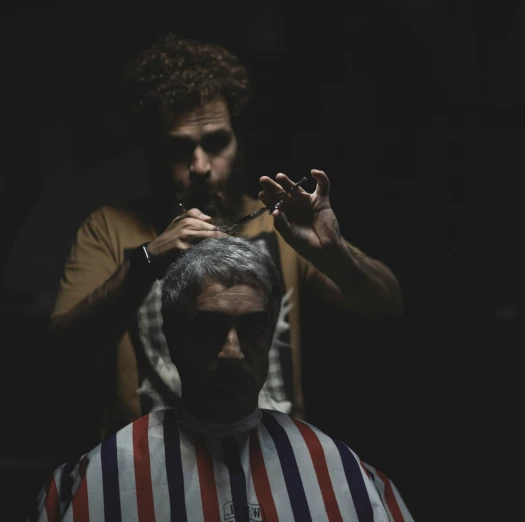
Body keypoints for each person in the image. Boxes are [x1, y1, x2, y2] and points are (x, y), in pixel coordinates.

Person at [49, 33, 404, 446]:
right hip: (152, 468)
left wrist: (336, 253)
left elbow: (387, 306)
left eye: (215, 143)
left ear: (239, 140)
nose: (200, 166)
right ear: (151, 151)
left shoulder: (278, 225)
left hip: (272, 458)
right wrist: (146, 260)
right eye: (178, 149)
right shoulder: (109, 228)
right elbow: (62, 361)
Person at [30, 237, 413, 522]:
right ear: (172, 337)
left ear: (270, 337)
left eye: (253, 327)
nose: (232, 352)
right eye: (209, 328)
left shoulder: (348, 476)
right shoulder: (88, 484)